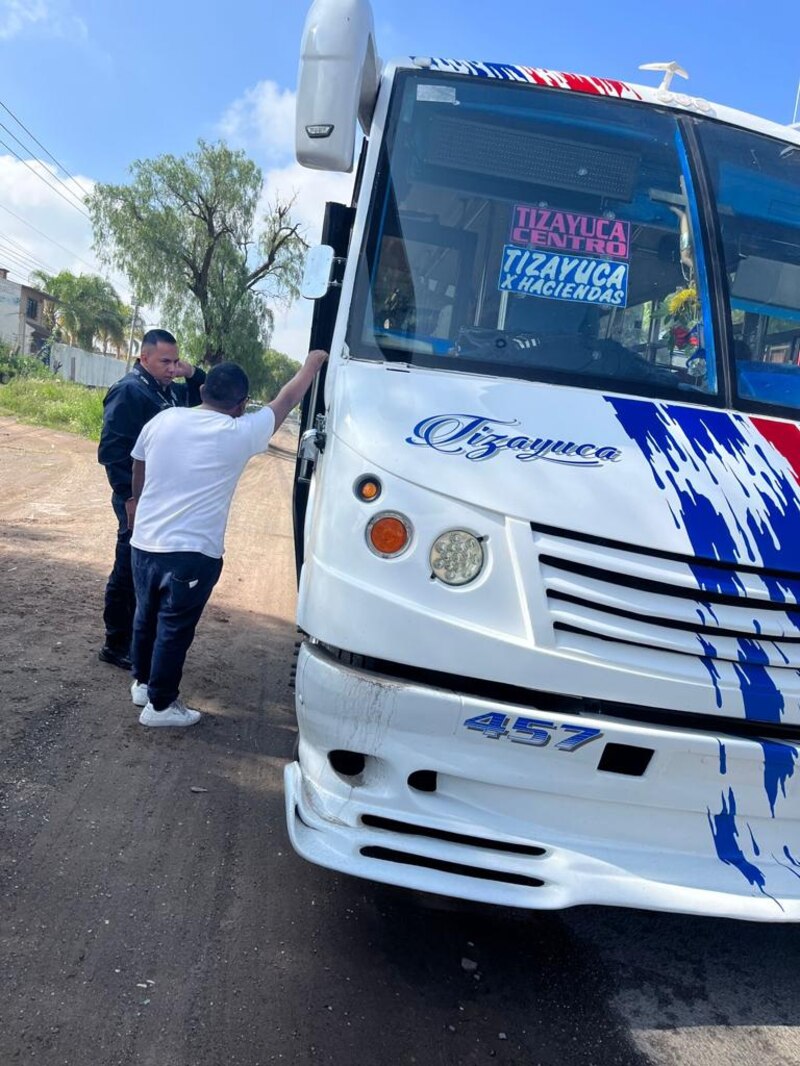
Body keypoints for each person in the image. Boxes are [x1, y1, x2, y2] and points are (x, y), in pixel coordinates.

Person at [127, 350, 328, 728]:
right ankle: (160, 706)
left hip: (144, 542)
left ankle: (143, 683)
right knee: (174, 627)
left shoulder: (165, 418)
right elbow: (285, 400)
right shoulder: (239, 433)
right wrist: (312, 365)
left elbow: (138, 459)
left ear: (202, 389)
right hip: (191, 553)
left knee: (146, 616)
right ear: (240, 405)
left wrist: (134, 501)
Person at [97, 329, 206, 670]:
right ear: (143, 358)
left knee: (147, 567)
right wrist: (130, 498)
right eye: (165, 361)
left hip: (157, 497)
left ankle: (135, 637)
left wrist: (190, 372)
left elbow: (203, 396)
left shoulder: (166, 391)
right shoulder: (129, 392)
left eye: (175, 361)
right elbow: (112, 452)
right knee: (128, 567)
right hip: (137, 498)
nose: (172, 368)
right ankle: (116, 644)